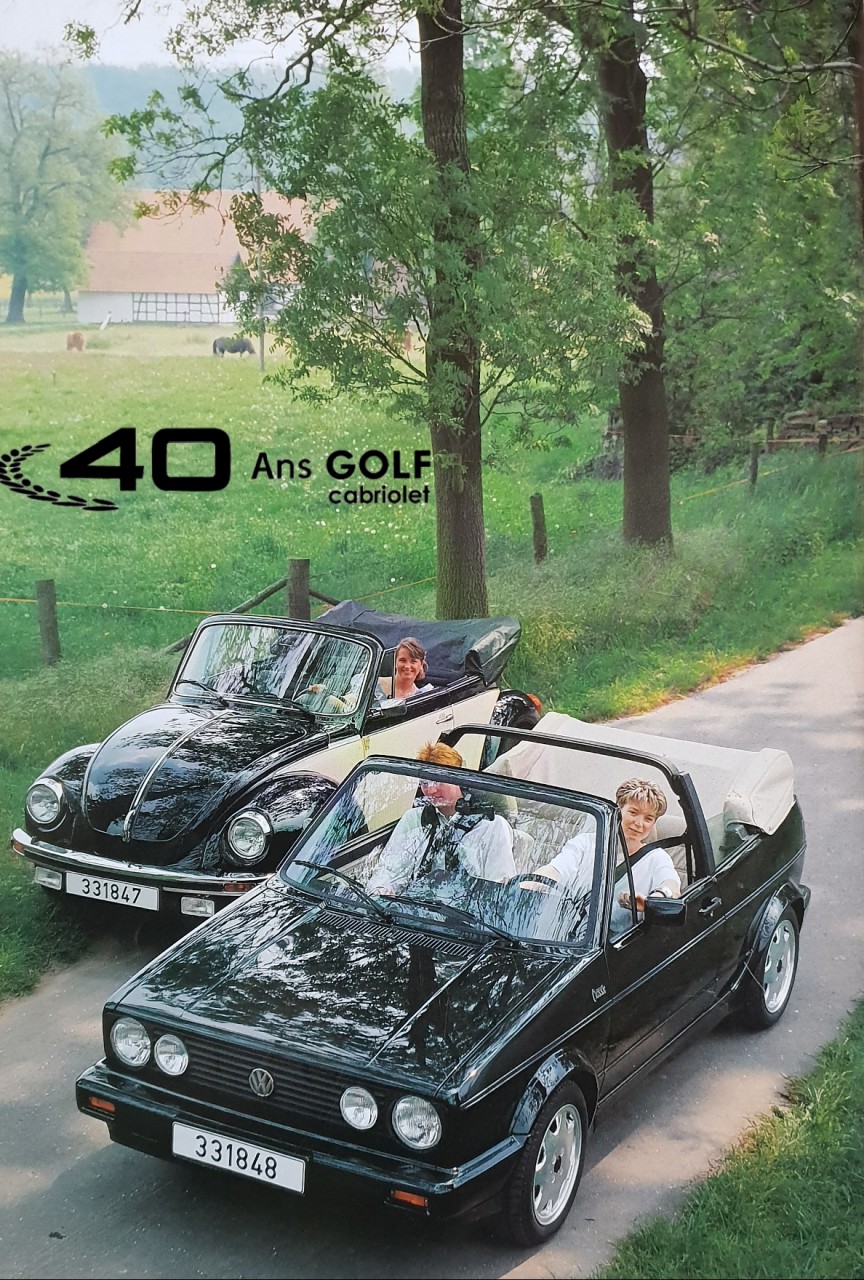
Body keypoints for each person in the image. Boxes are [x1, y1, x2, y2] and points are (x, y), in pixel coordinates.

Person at [526, 778, 680, 932]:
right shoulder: (586, 843)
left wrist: (653, 901)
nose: (639, 823)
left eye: (648, 818)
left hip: (618, 941)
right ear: (618, 811)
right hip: (564, 930)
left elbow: (671, 886)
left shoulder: (656, 858)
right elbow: (556, 869)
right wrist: (530, 883)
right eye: (633, 812)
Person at [366, 743, 515, 897]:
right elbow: (388, 871)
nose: (430, 790)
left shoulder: (491, 826)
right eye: (424, 783)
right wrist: (382, 890)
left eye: (438, 781)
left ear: (457, 778)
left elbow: (498, 891)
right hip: (413, 907)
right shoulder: (414, 820)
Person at [377, 636, 435, 701]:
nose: (407, 666)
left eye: (413, 661)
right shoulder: (376, 684)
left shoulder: (420, 697)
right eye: (402, 660)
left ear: (421, 664)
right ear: (395, 661)